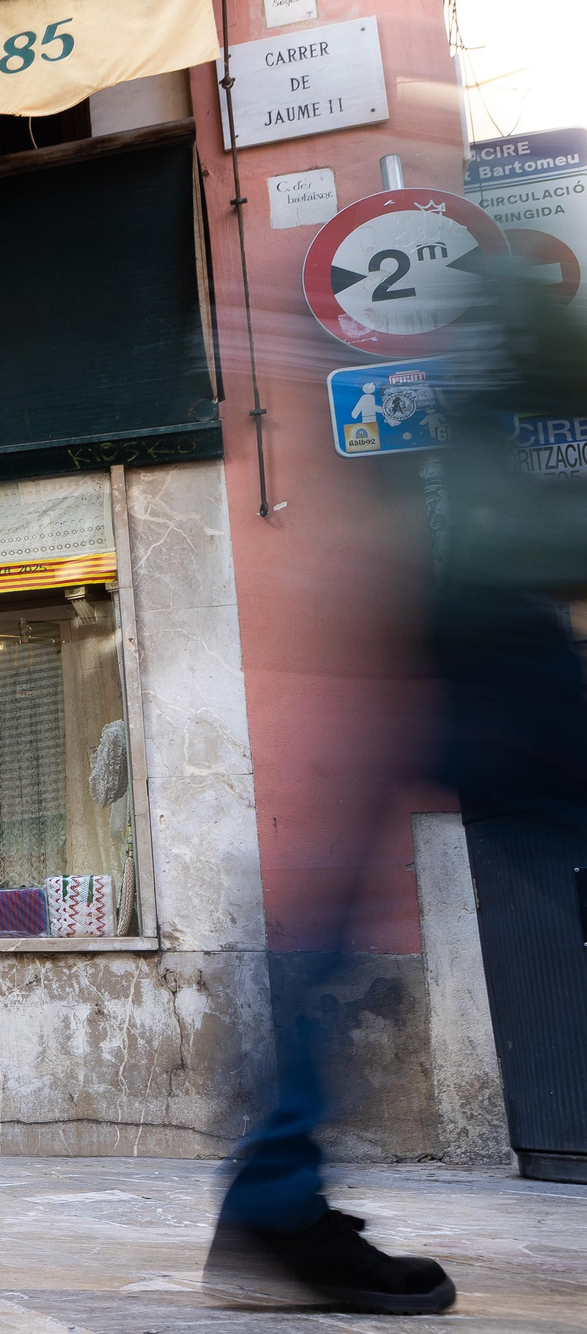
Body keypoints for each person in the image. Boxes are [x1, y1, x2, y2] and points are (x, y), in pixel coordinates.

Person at [204, 261, 587, 1315]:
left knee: (327, 918)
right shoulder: (479, 322)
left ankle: (274, 1193)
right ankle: (274, 1194)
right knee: (329, 916)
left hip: (414, 623)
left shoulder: (428, 335)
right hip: (475, 630)